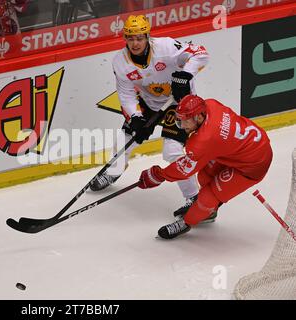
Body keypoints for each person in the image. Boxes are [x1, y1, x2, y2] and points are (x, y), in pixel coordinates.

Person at [90, 15, 209, 218]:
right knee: (126, 139)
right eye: (130, 38)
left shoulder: (166, 47)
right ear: (125, 38)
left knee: (172, 151)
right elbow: (126, 93)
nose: (135, 43)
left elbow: (201, 54)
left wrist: (186, 74)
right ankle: (114, 171)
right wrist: (136, 117)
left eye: (139, 38)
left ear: (147, 36)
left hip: (178, 103)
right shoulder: (120, 62)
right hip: (149, 101)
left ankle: (194, 198)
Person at [138, 95, 273, 239]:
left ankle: (187, 222)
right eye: (179, 120)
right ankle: (209, 210)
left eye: (185, 121)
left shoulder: (205, 140)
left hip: (253, 165)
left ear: (199, 117)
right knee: (205, 176)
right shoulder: (210, 104)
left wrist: (159, 175)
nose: (182, 126)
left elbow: (183, 169)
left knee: (208, 197)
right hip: (243, 149)